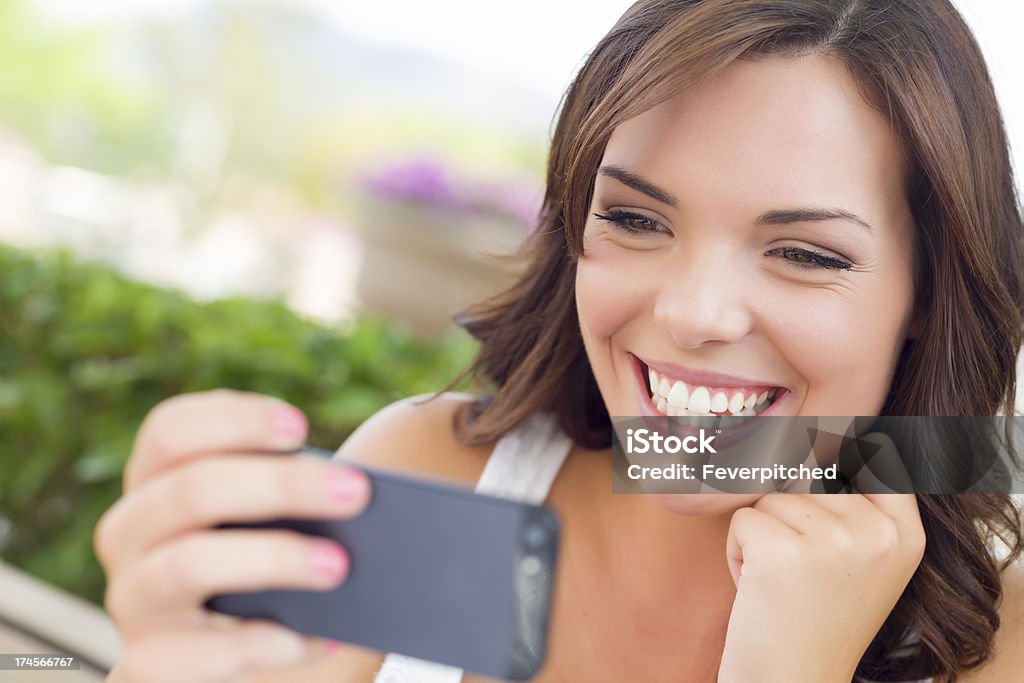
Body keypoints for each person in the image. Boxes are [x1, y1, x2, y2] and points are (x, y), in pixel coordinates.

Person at [94, 0, 1024, 681]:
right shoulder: (433, 474)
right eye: (637, 219)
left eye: (804, 252)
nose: (698, 313)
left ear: (927, 289)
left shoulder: (993, 632)